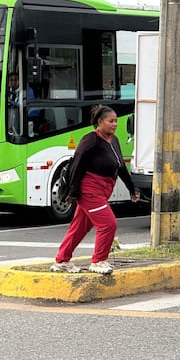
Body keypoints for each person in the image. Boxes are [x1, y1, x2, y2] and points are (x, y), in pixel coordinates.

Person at [51, 105, 140, 274]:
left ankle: (61, 261)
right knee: (108, 224)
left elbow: (120, 166)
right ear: (100, 122)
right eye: (110, 121)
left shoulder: (114, 140)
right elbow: (77, 164)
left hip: (104, 189)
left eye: (116, 121)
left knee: (79, 227)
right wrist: (74, 191)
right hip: (89, 189)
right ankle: (98, 261)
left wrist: (131, 188)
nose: (114, 124)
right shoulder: (91, 139)